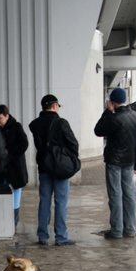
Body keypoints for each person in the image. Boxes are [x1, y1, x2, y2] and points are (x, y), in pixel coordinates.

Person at [94, 86, 136, 239]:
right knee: (129, 194)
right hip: (130, 162)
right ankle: (130, 229)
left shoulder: (114, 118)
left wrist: (107, 112)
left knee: (115, 195)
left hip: (114, 162)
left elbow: (98, 130)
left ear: (113, 102)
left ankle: (116, 230)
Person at [29, 94, 79, 246]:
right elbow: (73, 144)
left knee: (44, 201)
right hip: (60, 168)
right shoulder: (61, 123)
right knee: (61, 202)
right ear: (55, 106)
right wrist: (68, 158)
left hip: (44, 167)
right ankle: (61, 236)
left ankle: (43, 236)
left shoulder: (35, 124)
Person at [0, 104, 29, 228]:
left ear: (7, 116)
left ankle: (13, 224)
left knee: (14, 199)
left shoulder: (16, 127)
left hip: (15, 169)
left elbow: (24, 144)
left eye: (0, 118)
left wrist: (9, 151)